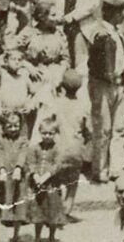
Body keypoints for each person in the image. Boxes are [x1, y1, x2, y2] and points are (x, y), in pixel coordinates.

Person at [88, 0, 124, 183]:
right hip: (103, 84)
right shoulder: (99, 31)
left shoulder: (116, 32)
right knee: (103, 129)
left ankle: (116, 168)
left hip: (118, 83)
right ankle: (100, 168)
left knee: (119, 128)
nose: (122, 16)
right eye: (119, 13)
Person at [16, 2, 69, 116]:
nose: (56, 18)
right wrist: (27, 65)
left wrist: (60, 72)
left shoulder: (59, 34)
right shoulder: (28, 33)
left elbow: (65, 59)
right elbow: (13, 52)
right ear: (42, 17)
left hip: (54, 76)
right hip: (34, 75)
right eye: (53, 15)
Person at [49, 69, 89, 217]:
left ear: (63, 88)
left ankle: (56, 210)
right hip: (76, 149)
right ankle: (66, 211)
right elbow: (87, 129)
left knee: (56, 180)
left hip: (60, 148)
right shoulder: (83, 105)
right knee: (72, 184)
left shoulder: (57, 103)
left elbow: (50, 122)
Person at [26, 118, 66, 242]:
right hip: (37, 185)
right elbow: (31, 162)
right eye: (44, 133)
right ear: (40, 132)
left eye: (51, 133)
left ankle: (52, 236)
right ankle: (37, 237)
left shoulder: (57, 149)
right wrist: (35, 175)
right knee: (38, 212)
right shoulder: (34, 148)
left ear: (55, 134)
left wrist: (45, 176)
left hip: (52, 185)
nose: (47, 136)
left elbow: (57, 165)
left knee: (52, 212)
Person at [0, 110, 29, 242]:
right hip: (4, 177)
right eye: (9, 126)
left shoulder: (23, 140)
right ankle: (0, 233)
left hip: (18, 178)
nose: (13, 129)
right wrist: (1, 169)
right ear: (3, 127)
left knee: (18, 206)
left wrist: (19, 168)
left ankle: (16, 234)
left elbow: (23, 154)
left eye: (16, 126)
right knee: (2, 202)